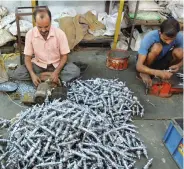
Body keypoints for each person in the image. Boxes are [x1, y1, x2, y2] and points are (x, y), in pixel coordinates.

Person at [12, 7, 80, 86]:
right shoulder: (30, 34)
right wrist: (32, 74)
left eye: (46, 26)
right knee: (18, 73)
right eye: (40, 27)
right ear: (35, 23)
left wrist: (56, 72)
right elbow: (27, 58)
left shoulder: (60, 33)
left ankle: (46, 76)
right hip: (38, 65)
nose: (43, 30)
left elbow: (64, 56)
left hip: (56, 65)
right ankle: (50, 77)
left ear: (50, 22)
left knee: (75, 71)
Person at [136, 18, 183, 87]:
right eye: (165, 39)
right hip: (147, 61)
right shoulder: (150, 37)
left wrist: (178, 65)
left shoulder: (179, 36)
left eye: (171, 39)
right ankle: (145, 72)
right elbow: (138, 66)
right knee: (157, 47)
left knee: (180, 52)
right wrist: (157, 72)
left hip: (162, 60)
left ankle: (167, 72)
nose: (168, 42)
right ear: (160, 32)